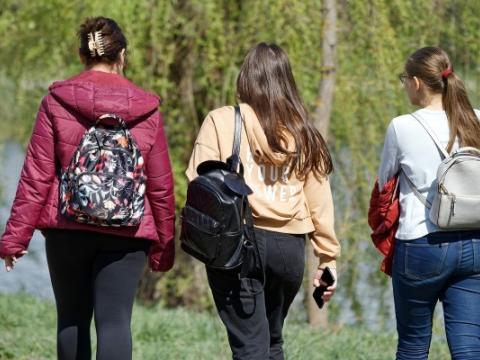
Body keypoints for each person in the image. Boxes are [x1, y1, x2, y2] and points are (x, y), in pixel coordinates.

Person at [0, 17, 175, 360]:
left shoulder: (56, 101)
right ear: (122, 55)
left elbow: (36, 176)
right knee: (115, 324)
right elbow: (160, 185)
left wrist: (14, 239)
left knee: (71, 318)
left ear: (81, 56)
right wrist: (164, 245)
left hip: (67, 229)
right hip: (129, 230)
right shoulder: (148, 109)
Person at [186, 43, 340, 360]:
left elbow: (197, 183)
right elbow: (320, 202)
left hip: (237, 244)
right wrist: (328, 259)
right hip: (290, 251)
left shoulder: (222, 120)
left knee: (250, 349)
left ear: (245, 78)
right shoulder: (305, 132)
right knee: (271, 343)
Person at [378, 46, 480, 360]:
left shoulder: (402, 126)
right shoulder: (476, 119)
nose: (405, 84)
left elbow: (384, 185)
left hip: (422, 244)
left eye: (404, 79)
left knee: (412, 346)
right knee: (469, 349)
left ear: (418, 82)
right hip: (474, 243)